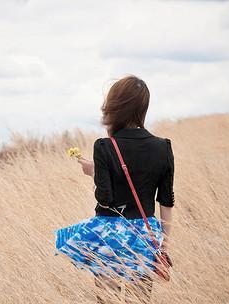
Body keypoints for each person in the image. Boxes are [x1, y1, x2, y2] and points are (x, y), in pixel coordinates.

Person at [54, 75, 174, 304]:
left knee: (106, 300)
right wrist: (162, 247)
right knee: (138, 300)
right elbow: (166, 201)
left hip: (110, 236)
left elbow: (105, 199)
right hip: (145, 236)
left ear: (114, 106)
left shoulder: (105, 146)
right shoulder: (163, 147)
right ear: (143, 108)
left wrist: (95, 173)